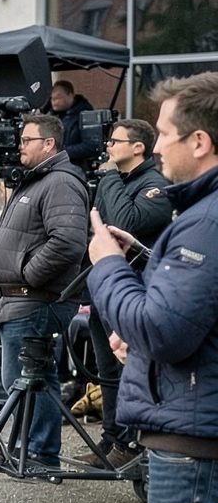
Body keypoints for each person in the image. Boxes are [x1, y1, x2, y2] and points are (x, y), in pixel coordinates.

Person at [85, 72, 218, 503]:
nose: (156, 146)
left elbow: (166, 330)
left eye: (164, 133)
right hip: (197, 430)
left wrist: (107, 265)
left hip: (191, 453)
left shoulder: (208, 222)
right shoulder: (201, 216)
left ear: (201, 141)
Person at [0, 113, 88, 467]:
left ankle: (39, 453)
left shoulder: (60, 182)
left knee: (27, 380)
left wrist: (28, 275)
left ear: (48, 144)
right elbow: (21, 240)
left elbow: (68, 242)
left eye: (26, 140)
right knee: (29, 379)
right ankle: (29, 450)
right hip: (19, 299)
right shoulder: (37, 180)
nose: (19, 146)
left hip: (33, 299)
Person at [80, 118, 176, 467]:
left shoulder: (156, 185)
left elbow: (126, 222)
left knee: (127, 369)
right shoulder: (117, 181)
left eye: (114, 142)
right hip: (105, 287)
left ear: (138, 147)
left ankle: (132, 446)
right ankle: (112, 438)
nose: (108, 147)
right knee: (106, 369)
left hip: (133, 291)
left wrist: (107, 177)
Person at [47, 78, 101, 170]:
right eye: (52, 98)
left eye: (58, 97)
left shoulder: (86, 114)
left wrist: (60, 152)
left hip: (76, 166)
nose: (54, 101)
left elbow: (91, 146)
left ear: (71, 95)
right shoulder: (49, 115)